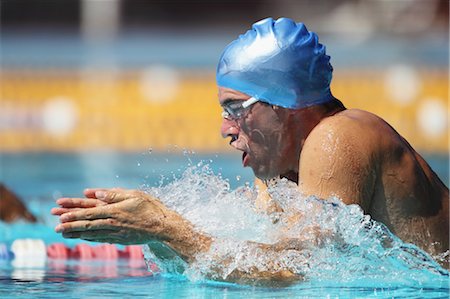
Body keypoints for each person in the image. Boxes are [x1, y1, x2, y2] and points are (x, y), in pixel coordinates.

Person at [51, 18, 449, 282]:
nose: (226, 129)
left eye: (234, 109)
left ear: (282, 105)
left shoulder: (337, 138)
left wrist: (165, 227)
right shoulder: (281, 175)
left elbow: (301, 271)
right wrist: (152, 234)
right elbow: (246, 262)